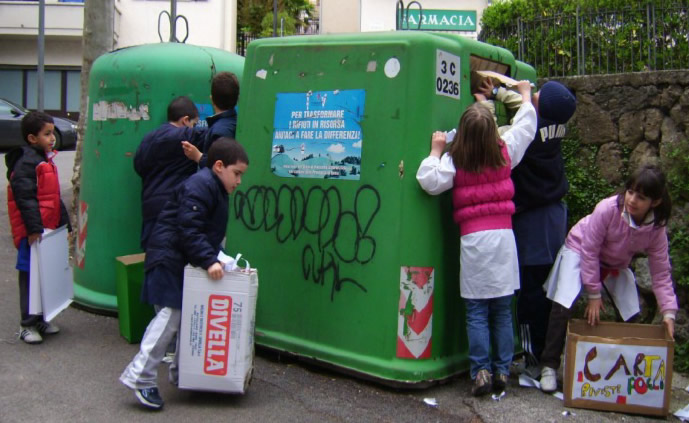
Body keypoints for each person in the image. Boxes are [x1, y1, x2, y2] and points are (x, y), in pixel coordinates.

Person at [416, 80, 537, 397]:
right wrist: (524, 95)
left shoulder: (456, 161)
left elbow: (429, 181)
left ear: (464, 134)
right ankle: (501, 370)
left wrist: (435, 150)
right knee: (500, 309)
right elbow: (525, 126)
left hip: (474, 241)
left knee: (476, 312)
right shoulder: (505, 151)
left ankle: (480, 370)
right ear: (493, 133)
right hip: (504, 239)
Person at [120, 138, 249, 410]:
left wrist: (219, 259)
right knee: (171, 317)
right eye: (236, 174)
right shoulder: (201, 186)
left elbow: (204, 232)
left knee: (182, 317)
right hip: (168, 258)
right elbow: (189, 228)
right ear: (218, 166)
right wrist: (209, 260)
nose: (238, 181)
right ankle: (140, 376)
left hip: (174, 257)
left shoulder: (211, 186)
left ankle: (183, 375)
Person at [538, 164, 678, 393]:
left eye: (640, 197)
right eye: (630, 192)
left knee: (631, 309)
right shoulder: (608, 209)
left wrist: (669, 312)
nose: (632, 200)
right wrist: (594, 294)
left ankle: (624, 366)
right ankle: (549, 365)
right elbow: (590, 251)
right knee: (563, 302)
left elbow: (661, 272)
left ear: (655, 202)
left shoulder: (656, 229)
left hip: (614, 263)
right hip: (580, 249)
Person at [476, 78, 577, 377]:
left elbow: (497, 141)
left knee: (530, 294)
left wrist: (486, 105)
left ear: (540, 106)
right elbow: (525, 108)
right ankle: (547, 358)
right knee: (546, 289)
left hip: (534, 221)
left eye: (537, 95)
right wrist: (499, 91)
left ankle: (533, 359)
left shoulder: (530, 133)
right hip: (554, 218)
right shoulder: (555, 127)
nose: (531, 95)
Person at [5, 111, 70, 344]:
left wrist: (64, 223)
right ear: (32, 138)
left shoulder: (45, 160)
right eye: (47, 134)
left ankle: (42, 317)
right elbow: (25, 199)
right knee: (30, 276)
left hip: (47, 231)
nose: (52, 138)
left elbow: (53, 197)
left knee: (45, 275)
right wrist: (33, 229)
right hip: (32, 233)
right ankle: (27, 324)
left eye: (52, 133)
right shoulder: (27, 164)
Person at [134, 96, 206, 251]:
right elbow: (213, 137)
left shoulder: (147, 140)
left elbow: (138, 167)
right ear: (185, 120)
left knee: (153, 262)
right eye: (193, 124)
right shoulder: (184, 137)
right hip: (173, 213)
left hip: (150, 209)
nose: (193, 128)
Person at [182, 71, 240, 168]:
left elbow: (219, 169)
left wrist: (198, 156)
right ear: (237, 99)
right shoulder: (233, 123)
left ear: (211, 99)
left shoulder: (219, 131)